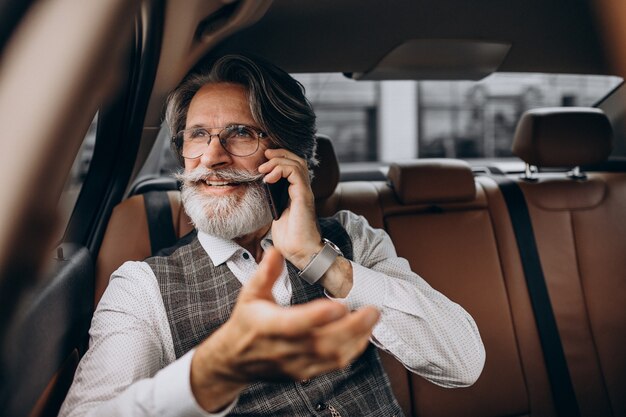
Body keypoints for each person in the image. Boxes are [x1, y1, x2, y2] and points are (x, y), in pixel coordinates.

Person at [59, 55, 485, 417]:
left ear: (290, 156)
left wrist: (321, 260)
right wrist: (212, 373)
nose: (211, 155)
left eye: (241, 133)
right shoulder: (141, 288)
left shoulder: (354, 238)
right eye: (197, 135)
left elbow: (462, 363)